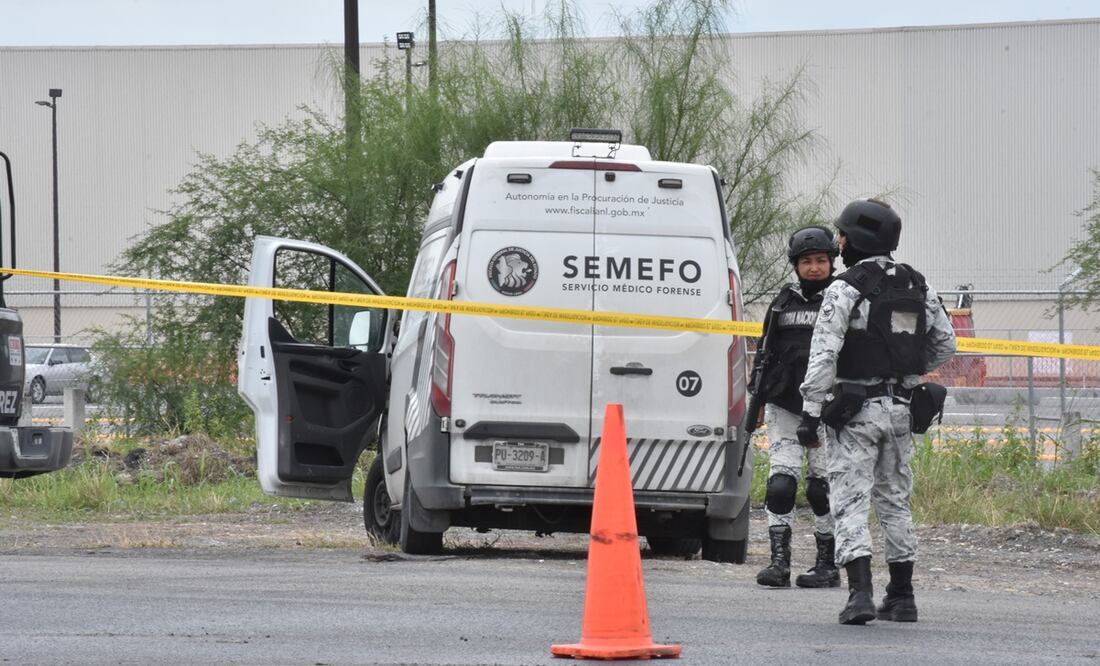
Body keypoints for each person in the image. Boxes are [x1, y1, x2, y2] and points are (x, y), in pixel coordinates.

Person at [797, 199, 956, 625]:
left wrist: (811, 412)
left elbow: (824, 353)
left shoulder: (845, 287)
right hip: (902, 410)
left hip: (853, 411)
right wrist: (903, 371)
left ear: (856, 238)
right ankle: (902, 597)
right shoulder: (919, 284)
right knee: (895, 502)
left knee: (849, 500)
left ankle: (860, 596)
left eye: (842, 236)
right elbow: (946, 346)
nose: (838, 243)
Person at [751, 225, 840, 589]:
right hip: (783, 404)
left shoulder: (840, 300)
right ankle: (779, 563)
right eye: (807, 262)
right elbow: (764, 351)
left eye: (821, 260)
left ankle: (827, 564)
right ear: (796, 265)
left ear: (832, 262)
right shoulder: (782, 302)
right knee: (781, 486)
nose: (815, 268)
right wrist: (755, 399)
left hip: (828, 410)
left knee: (821, 489)